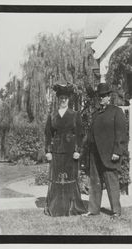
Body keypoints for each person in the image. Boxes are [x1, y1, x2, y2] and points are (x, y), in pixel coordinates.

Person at [83, 83, 128, 219]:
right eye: (100, 96)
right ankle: (93, 209)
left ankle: (116, 211)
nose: (102, 98)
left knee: (112, 183)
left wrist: (117, 151)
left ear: (109, 97)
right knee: (95, 183)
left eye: (105, 96)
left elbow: (122, 134)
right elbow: (90, 134)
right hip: (95, 154)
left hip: (110, 155)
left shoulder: (116, 112)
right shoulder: (95, 113)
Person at [44, 82, 87, 217]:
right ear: (58, 100)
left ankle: (72, 208)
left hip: (70, 153)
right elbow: (48, 134)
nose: (63, 100)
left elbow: (80, 134)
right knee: (57, 179)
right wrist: (48, 151)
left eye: (65, 98)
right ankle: (57, 208)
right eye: (61, 98)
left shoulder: (75, 114)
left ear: (69, 100)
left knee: (70, 179)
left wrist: (77, 150)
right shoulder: (52, 115)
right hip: (56, 152)